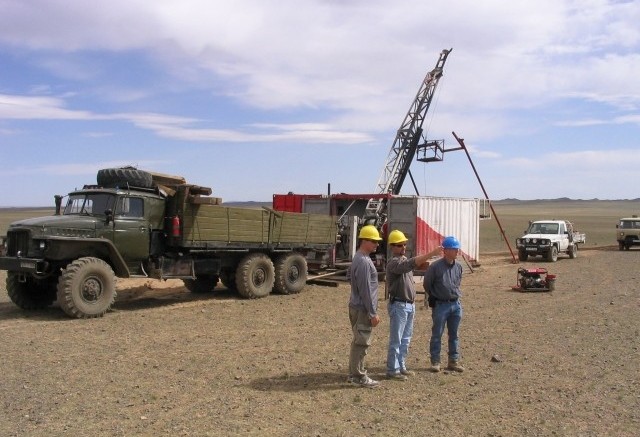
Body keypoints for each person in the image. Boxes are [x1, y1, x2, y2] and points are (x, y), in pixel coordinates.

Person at [385, 230, 442, 380]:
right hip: (399, 305)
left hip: (408, 305)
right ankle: (393, 369)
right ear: (392, 247)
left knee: (406, 338)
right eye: (399, 245)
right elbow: (411, 263)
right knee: (396, 339)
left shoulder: (403, 260)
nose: (403, 247)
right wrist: (431, 253)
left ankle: (401, 365)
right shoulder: (394, 263)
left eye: (404, 244)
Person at [347, 224, 383, 388]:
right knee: (362, 342)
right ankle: (358, 376)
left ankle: (356, 373)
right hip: (362, 309)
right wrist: (372, 312)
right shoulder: (363, 261)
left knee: (359, 341)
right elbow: (366, 289)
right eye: (373, 241)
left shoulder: (360, 258)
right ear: (364, 241)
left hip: (358, 307)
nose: (376, 244)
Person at [423, 235, 465, 373]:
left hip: (455, 304)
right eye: (454, 249)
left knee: (454, 334)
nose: (457, 252)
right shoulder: (435, 267)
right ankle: (435, 361)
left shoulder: (459, 267)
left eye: (457, 249)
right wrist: (435, 297)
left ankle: (453, 361)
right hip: (441, 305)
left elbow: (458, 283)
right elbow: (427, 284)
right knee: (437, 334)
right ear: (445, 250)